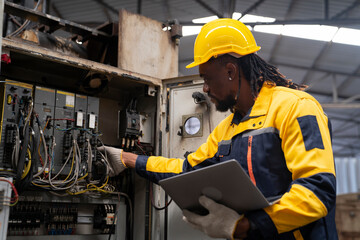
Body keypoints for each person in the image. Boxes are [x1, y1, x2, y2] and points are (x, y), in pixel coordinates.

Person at [98, 18, 337, 240]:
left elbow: (316, 191)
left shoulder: (295, 108)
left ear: (231, 71)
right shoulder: (226, 130)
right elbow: (185, 169)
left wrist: (245, 225)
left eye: (207, 78)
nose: (205, 88)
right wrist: (128, 159)